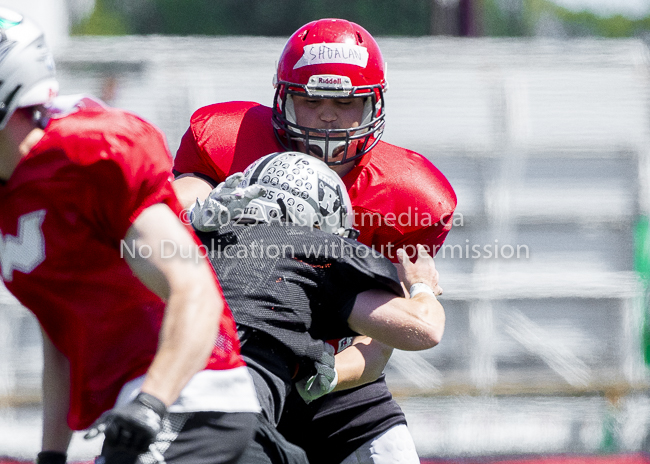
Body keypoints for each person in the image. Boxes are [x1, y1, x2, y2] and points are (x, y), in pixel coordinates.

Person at [173, 18, 457, 464]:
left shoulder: (405, 198)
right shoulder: (230, 142)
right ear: (283, 98)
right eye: (311, 99)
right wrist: (191, 214)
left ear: (372, 105)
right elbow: (174, 205)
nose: (327, 114)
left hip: (327, 373)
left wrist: (326, 375)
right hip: (228, 355)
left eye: (345, 103)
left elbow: (380, 342)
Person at [0, 9, 259, 464]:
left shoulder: (86, 157)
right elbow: (58, 331)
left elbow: (194, 290)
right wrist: (51, 454)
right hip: (138, 410)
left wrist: (151, 405)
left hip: (192, 398)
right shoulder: (11, 193)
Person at [194, 151, 445, 464]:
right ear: (317, 220)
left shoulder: (190, 240)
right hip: (229, 421)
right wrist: (422, 286)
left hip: (139, 398)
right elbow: (424, 329)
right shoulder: (308, 255)